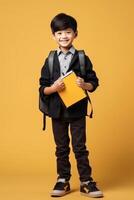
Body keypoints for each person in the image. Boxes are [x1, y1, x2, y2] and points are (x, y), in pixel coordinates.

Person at [39, 13, 103, 198]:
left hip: (77, 110)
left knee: (80, 146)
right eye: (59, 33)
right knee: (61, 148)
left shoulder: (83, 58)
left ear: (75, 34)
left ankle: (86, 181)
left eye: (68, 32)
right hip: (56, 112)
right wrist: (53, 88)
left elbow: (94, 83)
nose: (64, 36)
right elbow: (42, 88)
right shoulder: (50, 60)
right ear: (53, 36)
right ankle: (63, 180)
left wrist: (85, 85)